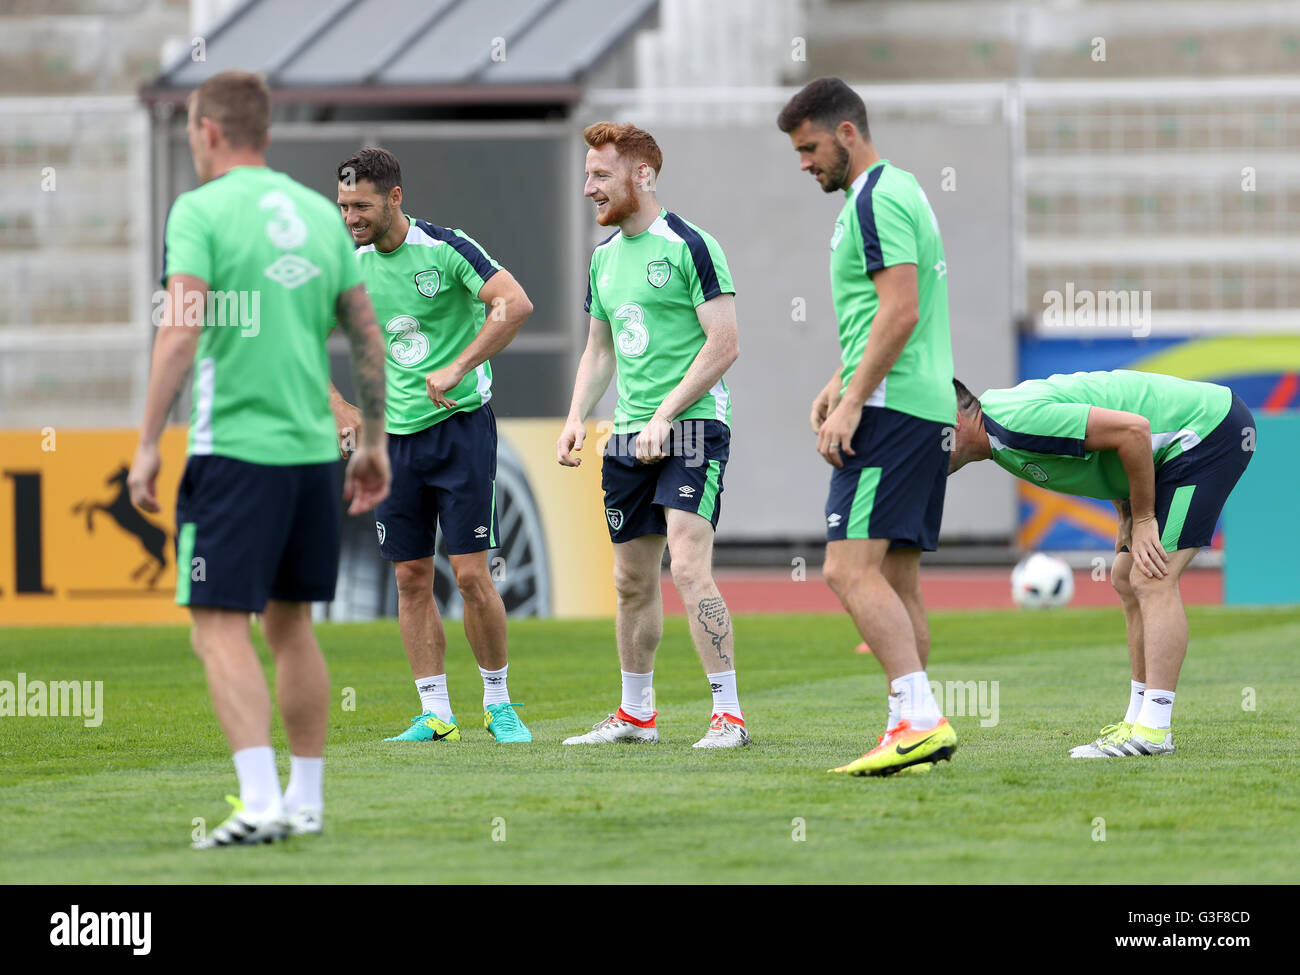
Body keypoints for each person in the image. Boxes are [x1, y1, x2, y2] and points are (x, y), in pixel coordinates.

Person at [127, 71, 390, 847]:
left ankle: (258, 800)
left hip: (235, 452)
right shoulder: (317, 212)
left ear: (208, 131)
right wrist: (372, 440)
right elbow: (366, 334)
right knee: (292, 625)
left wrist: (146, 442)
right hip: (313, 454)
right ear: (265, 133)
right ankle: (304, 799)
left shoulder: (200, 211)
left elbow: (179, 328)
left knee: (216, 626)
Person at [778, 76, 958, 776]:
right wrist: (839, 381)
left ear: (846, 132)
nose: (804, 164)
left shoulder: (876, 198)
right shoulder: (904, 190)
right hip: (923, 405)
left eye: (810, 147)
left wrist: (854, 401)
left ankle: (919, 718)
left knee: (844, 569)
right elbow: (882, 316)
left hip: (891, 411)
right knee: (897, 577)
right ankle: (905, 727)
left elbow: (902, 309)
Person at [331, 147, 535, 744]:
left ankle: (498, 704)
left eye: (361, 206)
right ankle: (436, 713)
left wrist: (459, 366)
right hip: (391, 443)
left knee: (472, 575)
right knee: (410, 578)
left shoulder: (445, 248)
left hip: (460, 430)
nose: (350, 219)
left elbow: (514, 303)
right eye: (343, 206)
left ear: (395, 197)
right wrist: (340, 407)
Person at [556, 122, 747, 748]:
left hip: (691, 429)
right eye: (586, 175)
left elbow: (725, 346)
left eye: (600, 175)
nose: (588, 187)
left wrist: (666, 414)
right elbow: (599, 349)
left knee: (689, 566)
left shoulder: (692, 245)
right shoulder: (603, 259)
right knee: (630, 581)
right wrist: (577, 416)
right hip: (628, 437)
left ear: (643, 175)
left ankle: (728, 716)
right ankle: (636, 716)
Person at [947, 370, 1255, 758]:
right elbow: (1106, 450)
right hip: (1177, 445)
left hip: (1209, 430)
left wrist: (1144, 519)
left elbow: (1133, 431)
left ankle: (1155, 731)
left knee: (1152, 577)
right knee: (1126, 577)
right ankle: (1136, 721)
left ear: (954, 420)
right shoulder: (999, 437)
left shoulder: (1011, 422)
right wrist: (1127, 514)